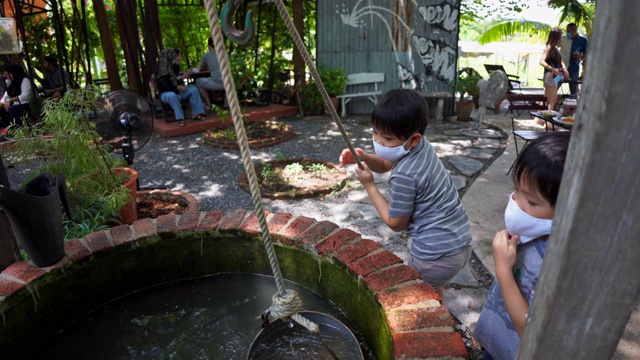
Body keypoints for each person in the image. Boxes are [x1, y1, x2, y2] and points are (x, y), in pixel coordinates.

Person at [338, 88, 472, 296]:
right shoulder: (420, 146)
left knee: (419, 298)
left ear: (414, 139)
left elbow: (396, 223)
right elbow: (384, 163)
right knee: (433, 292)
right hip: (459, 242)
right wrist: (365, 157)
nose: (379, 141)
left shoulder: (405, 176)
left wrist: (370, 186)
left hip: (434, 255)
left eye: (387, 138)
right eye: (375, 132)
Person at [473, 132, 571, 360]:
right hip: (497, 344)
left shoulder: (556, 264)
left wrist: (502, 270)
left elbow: (531, 330)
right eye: (516, 189)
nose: (516, 203)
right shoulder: (530, 232)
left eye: (532, 201)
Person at [155, 48, 206, 127]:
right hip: (166, 93)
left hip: (176, 91)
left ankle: (196, 113)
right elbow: (165, 86)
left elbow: (175, 81)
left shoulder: (173, 67)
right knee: (172, 95)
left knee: (193, 90)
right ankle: (180, 118)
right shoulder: (162, 69)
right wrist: (177, 88)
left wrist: (183, 81)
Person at [539, 28, 569, 113]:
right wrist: (553, 69)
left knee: (547, 98)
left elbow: (561, 61)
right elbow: (541, 61)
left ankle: (538, 119)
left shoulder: (555, 49)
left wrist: (565, 70)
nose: (561, 40)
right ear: (555, 38)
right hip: (549, 75)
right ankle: (547, 121)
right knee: (553, 99)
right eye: (560, 37)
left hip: (556, 77)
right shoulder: (549, 47)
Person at [0, 64, 33, 134]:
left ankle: (19, 130)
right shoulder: (13, 82)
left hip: (25, 103)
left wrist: (10, 100)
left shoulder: (25, 80)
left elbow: (25, 96)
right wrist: (2, 104)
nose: (7, 77)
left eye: (8, 74)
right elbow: (7, 95)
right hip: (16, 104)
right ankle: (9, 130)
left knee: (13, 109)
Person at [195, 37, 224, 110]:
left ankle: (208, 103)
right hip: (228, 83)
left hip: (217, 83)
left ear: (209, 46)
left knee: (198, 81)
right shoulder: (224, 53)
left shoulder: (207, 55)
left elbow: (201, 67)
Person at [565, 23, 587, 95]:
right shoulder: (563, 39)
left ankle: (572, 105)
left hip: (574, 70)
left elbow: (587, 54)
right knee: (555, 84)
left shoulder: (583, 41)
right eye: (566, 31)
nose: (567, 33)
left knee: (574, 91)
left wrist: (580, 57)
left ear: (574, 31)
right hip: (562, 70)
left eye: (569, 31)